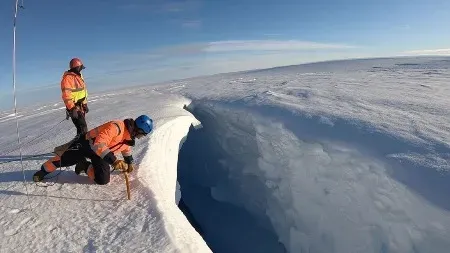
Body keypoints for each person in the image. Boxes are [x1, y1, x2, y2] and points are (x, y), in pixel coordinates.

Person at [32, 115, 154, 184]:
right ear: (138, 129)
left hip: (101, 153)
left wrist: (129, 162)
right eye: (142, 134)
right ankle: (43, 171)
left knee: (103, 180)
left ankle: (84, 165)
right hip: (87, 145)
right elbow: (99, 143)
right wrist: (114, 161)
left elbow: (125, 147)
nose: (140, 137)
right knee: (64, 160)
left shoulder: (129, 135)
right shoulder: (117, 127)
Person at [62, 58, 89, 136]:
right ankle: (80, 145)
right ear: (77, 67)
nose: (81, 69)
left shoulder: (79, 76)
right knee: (82, 127)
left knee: (82, 128)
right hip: (74, 107)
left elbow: (82, 91)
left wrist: (85, 103)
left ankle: (81, 143)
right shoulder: (67, 78)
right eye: (80, 67)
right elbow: (66, 95)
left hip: (80, 106)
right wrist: (72, 108)